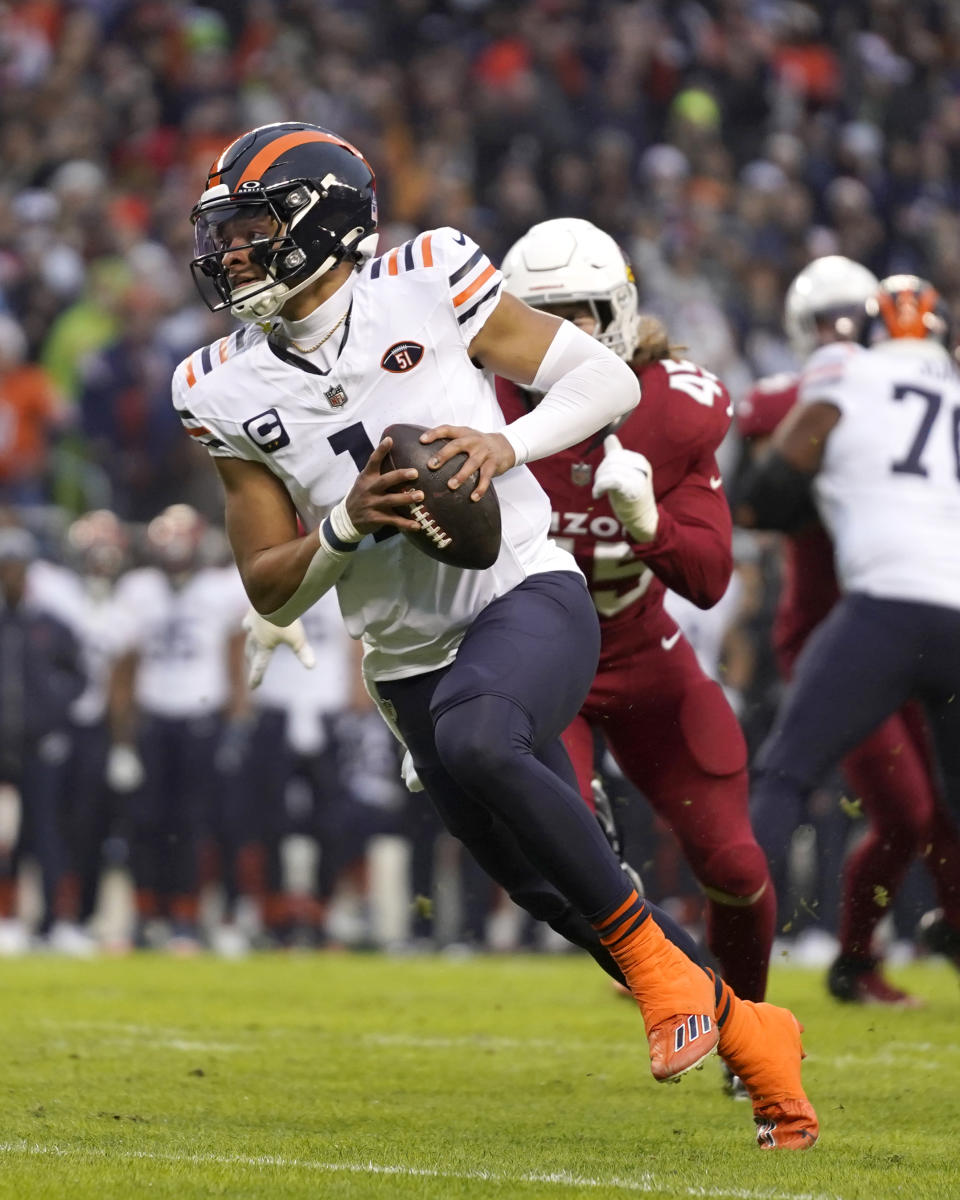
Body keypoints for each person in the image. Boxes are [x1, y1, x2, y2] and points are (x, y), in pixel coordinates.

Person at [174, 121, 817, 1148]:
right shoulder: (213, 385)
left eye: (255, 225)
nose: (232, 251)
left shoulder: (430, 275)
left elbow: (603, 381)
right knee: (546, 885)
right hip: (404, 658)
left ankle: (668, 983)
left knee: (483, 738)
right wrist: (344, 524)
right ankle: (752, 1032)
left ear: (328, 224)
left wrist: (500, 442)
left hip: (523, 587)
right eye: (227, 231)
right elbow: (270, 587)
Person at [497, 218, 775, 1013]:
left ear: (616, 313)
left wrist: (650, 526)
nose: (562, 335)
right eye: (542, 315)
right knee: (577, 862)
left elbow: (713, 578)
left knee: (737, 867)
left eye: (580, 313)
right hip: (539, 658)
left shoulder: (674, 408)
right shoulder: (477, 399)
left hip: (642, 649)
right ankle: (657, 965)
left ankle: (744, 1029)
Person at [735, 256, 960, 1006]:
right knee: (916, 810)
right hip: (860, 625)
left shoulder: (836, 386)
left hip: (875, 617)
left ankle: (752, 975)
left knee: (801, 780)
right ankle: (856, 956)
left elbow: (762, 490)